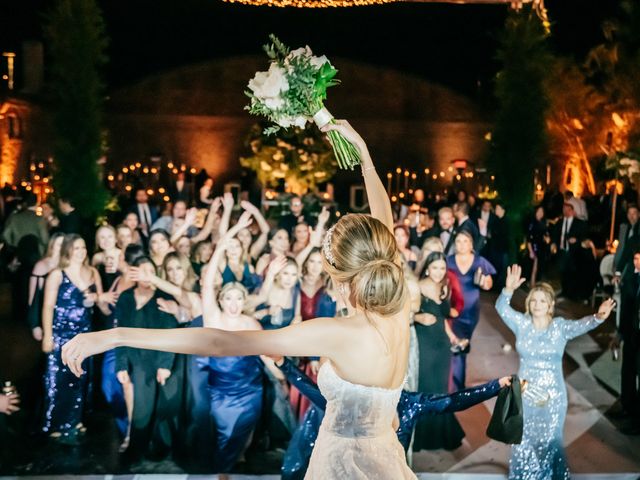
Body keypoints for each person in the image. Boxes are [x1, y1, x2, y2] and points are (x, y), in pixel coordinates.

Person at [61, 119, 419, 478]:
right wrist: (363, 154)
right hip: (386, 458)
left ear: (340, 280)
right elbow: (383, 223)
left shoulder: (339, 332)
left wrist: (116, 334)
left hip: (342, 466)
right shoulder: (398, 307)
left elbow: (218, 340)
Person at [496, 265, 614, 479]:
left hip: (553, 397)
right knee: (523, 440)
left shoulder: (559, 327)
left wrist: (597, 317)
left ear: (550, 304)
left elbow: (580, 325)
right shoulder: (522, 324)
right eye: (533, 300)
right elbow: (502, 309)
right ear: (528, 304)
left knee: (551, 441)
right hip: (525, 394)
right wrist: (507, 290)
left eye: (542, 300)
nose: (537, 304)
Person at [41, 234, 113, 444]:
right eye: (76, 248)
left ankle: (75, 419)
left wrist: (100, 299)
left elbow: (104, 308)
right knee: (58, 379)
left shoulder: (92, 272)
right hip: (61, 333)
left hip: (84, 334)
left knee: (80, 377)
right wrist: (47, 335)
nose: (81, 252)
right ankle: (56, 423)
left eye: (83, 248)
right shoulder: (57, 274)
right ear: (68, 251)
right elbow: (47, 306)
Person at [413, 252, 465, 451]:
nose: (438, 272)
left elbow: (443, 319)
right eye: (435, 267)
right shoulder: (417, 287)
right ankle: (421, 437)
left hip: (442, 345)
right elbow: (403, 314)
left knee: (441, 390)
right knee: (425, 388)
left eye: (442, 268)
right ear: (427, 268)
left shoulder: (444, 287)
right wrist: (418, 318)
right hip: (424, 342)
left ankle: (440, 437)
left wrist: (453, 337)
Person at [447, 230, 495, 391]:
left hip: (471, 312)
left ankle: (455, 385)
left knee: (462, 346)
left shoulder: (480, 261)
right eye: (458, 241)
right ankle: (456, 387)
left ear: (471, 244)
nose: (461, 244)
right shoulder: (448, 261)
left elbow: (489, 284)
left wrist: (483, 283)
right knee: (457, 347)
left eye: (465, 241)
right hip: (453, 310)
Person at [616, 249, 640, 434]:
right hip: (632, 333)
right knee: (628, 371)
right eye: (635, 259)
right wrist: (620, 334)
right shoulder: (631, 279)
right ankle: (628, 407)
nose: (636, 262)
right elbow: (625, 309)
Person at [550, 200, 587, 300]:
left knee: (571, 273)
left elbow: (584, 237)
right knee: (562, 271)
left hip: (573, 252)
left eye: (566, 209)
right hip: (562, 250)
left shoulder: (579, 223)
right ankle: (564, 291)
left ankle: (571, 294)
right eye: (563, 209)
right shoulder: (560, 222)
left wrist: (576, 240)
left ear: (571, 210)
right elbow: (555, 234)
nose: (564, 211)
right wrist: (553, 243)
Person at [526, 205, 550, 286]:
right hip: (534, 247)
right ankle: (531, 284)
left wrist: (547, 239)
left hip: (542, 247)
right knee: (534, 267)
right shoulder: (532, 223)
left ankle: (536, 282)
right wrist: (530, 251)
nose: (540, 213)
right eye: (538, 211)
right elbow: (528, 238)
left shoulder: (544, 222)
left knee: (540, 266)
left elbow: (546, 234)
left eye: (542, 212)